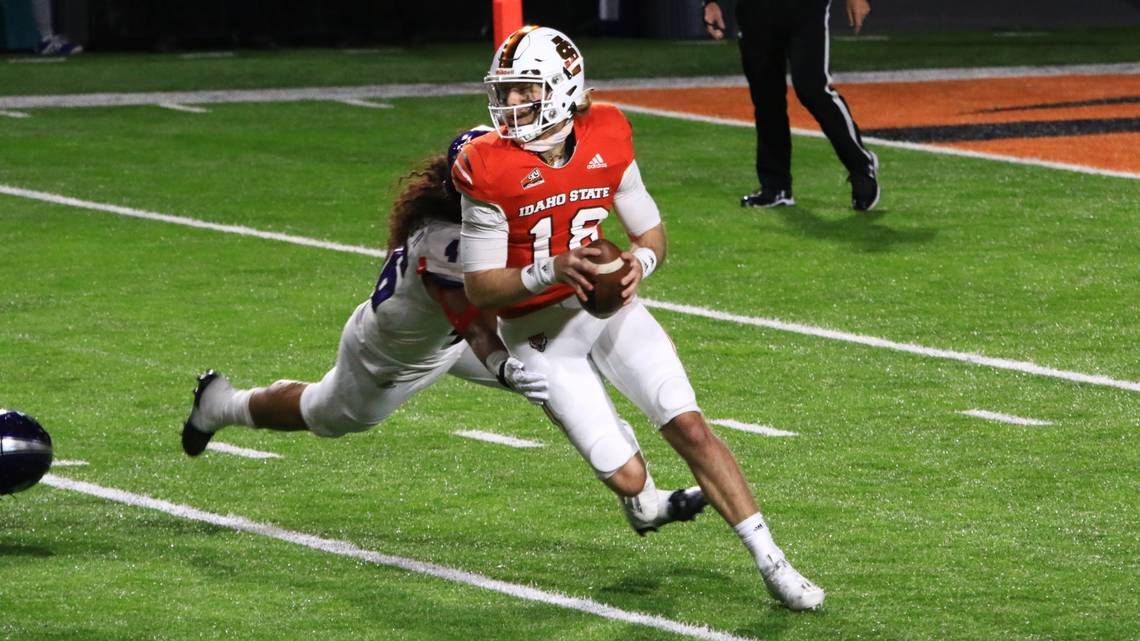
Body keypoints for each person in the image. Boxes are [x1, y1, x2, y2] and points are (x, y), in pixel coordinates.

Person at [454, 25, 825, 610]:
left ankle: (773, 561)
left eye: (525, 89)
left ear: (561, 87)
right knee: (627, 479)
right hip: (538, 334)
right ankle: (641, 498)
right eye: (507, 90)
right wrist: (551, 270)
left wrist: (639, 263)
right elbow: (479, 287)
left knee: (691, 426)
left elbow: (649, 230)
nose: (510, 103)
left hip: (607, 308)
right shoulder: (486, 165)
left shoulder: (607, 130)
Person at [180, 129, 550, 454]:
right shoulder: (446, 244)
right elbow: (475, 325)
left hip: (447, 337)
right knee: (326, 414)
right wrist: (504, 366)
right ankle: (221, 405)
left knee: (560, 365)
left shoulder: (487, 164)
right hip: (396, 352)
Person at [704, 0, 879, 211]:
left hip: (803, 7)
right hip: (754, 9)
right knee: (765, 95)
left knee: (812, 88)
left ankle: (860, 164)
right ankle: (776, 187)